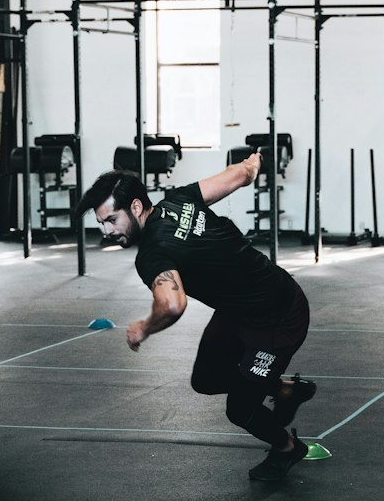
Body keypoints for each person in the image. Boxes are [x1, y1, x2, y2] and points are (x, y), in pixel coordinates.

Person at [74, 154, 317, 481]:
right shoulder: (179, 198)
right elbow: (241, 174)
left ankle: (288, 447)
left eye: (111, 220)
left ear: (134, 207)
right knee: (205, 379)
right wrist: (256, 161)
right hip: (238, 310)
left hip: (278, 317)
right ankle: (285, 389)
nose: (107, 231)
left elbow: (173, 305)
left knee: (240, 409)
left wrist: (142, 328)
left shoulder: (152, 253)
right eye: (103, 222)